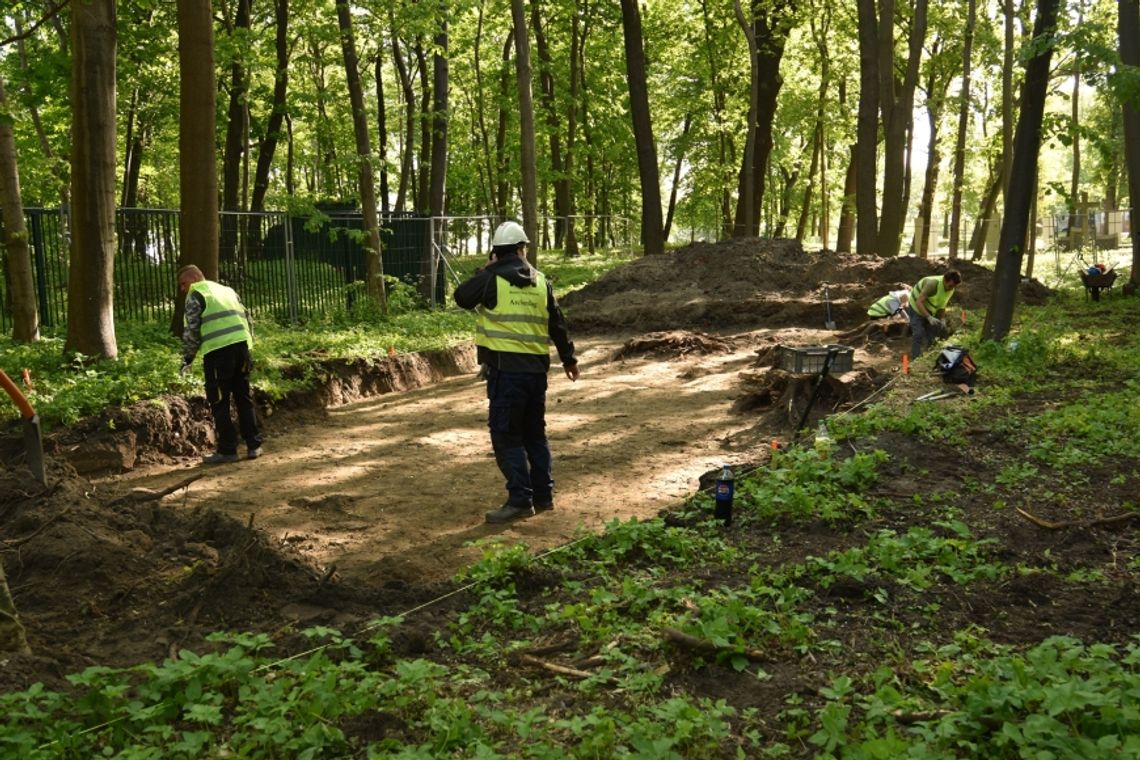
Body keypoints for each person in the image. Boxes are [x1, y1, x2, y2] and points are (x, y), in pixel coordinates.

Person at [454, 221, 580, 524]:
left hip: (506, 373)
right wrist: (569, 359)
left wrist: (485, 270)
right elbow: (557, 323)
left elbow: (461, 297)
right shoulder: (541, 281)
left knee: (506, 435)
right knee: (535, 434)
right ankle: (543, 496)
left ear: (496, 252)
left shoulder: (491, 279)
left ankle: (520, 500)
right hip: (536, 373)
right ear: (523, 248)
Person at [177, 265, 263, 464]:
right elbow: (247, 318)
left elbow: (192, 331)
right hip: (241, 348)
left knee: (219, 400)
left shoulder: (196, 294)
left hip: (218, 353)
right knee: (243, 397)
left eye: (183, 283)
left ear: (194, 278)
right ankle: (254, 445)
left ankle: (227, 450)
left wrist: (187, 359)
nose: (182, 289)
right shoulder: (227, 291)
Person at [905, 269, 961, 360]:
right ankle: (915, 359)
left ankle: (929, 356)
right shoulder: (932, 284)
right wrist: (929, 317)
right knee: (918, 333)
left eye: (954, 286)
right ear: (944, 280)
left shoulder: (951, 289)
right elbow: (919, 302)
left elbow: (942, 305)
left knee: (933, 333)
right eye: (950, 285)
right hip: (916, 307)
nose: (951, 288)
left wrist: (942, 319)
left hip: (930, 308)